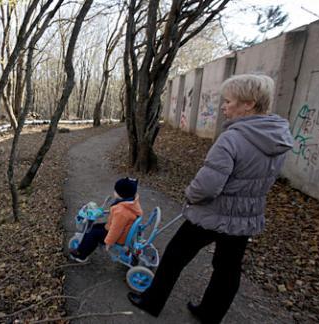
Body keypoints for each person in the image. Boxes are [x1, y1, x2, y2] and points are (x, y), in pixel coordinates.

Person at [127, 74, 293, 323]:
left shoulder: (232, 138)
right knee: (227, 269)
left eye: (228, 101)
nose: (223, 107)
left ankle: (152, 301)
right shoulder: (279, 138)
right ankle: (209, 314)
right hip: (245, 217)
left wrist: (190, 194)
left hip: (211, 213)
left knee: (174, 255)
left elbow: (207, 186)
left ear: (248, 104)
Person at [69, 177, 143, 262]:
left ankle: (81, 255)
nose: (114, 192)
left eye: (115, 191)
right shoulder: (131, 202)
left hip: (118, 237)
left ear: (122, 194)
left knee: (92, 234)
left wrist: (109, 242)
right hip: (116, 228)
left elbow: (116, 230)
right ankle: (85, 244)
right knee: (95, 227)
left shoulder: (122, 212)